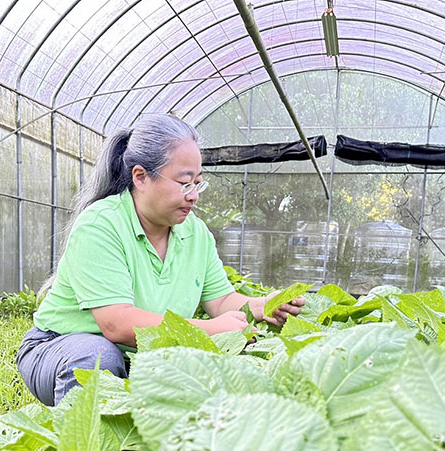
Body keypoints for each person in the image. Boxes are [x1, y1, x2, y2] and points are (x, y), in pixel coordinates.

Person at [16, 114, 305, 407]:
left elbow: (220, 301)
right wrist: (210, 329)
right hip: (60, 348)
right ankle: (79, 441)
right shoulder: (101, 225)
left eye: (198, 183)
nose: (193, 196)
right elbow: (116, 324)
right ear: (140, 177)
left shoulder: (195, 233)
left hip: (137, 357)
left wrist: (265, 305)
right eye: (183, 182)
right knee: (97, 356)